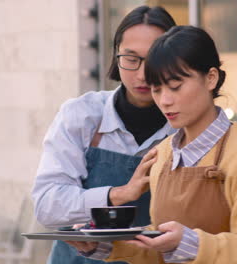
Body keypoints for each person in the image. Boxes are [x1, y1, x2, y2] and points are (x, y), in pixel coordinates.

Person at [71, 25, 237, 263]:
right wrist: (105, 247)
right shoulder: (163, 154)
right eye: (157, 89)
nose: (164, 101)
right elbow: (160, 251)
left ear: (211, 78)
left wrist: (191, 243)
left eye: (175, 87)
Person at [31, 6, 177, 264]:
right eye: (131, 59)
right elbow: (47, 205)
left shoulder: (187, 126)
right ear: (115, 55)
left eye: (154, 59)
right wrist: (118, 194)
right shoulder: (81, 115)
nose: (142, 74)